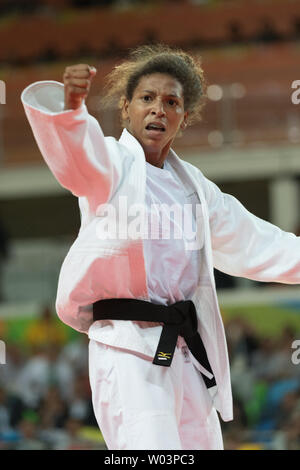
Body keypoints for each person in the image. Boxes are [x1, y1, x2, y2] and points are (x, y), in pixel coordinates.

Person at [21, 44, 300, 450]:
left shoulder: (196, 190)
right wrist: (71, 114)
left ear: (183, 118)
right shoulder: (113, 166)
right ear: (126, 108)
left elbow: (259, 242)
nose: (158, 109)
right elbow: (81, 163)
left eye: (171, 102)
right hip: (127, 346)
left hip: (184, 353)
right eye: (147, 99)